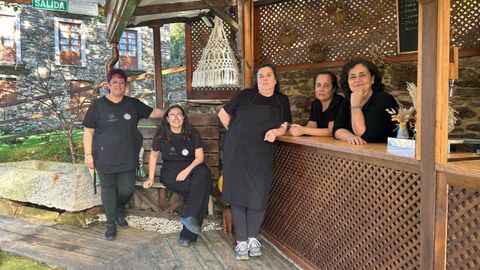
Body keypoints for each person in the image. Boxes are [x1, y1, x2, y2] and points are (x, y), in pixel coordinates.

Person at [218, 63, 292, 260]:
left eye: (269, 75)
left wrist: (276, 132)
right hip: (237, 152)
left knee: (258, 194)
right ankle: (242, 241)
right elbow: (223, 113)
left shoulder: (281, 100)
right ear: (256, 80)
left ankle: (252, 238)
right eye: (261, 76)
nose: (265, 79)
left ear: (275, 79)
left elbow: (285, 125)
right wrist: (235, 134)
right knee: (238, 194)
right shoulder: (245, 95)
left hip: (261, 152)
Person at [83, 68, 163, 241]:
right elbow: (88, 130)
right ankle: (111, 223)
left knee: (126, 189)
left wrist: (172, 114)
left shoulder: (132, 104)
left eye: (122, 82)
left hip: (128, 156)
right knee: (108, 190)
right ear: (108, 85)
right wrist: (88, 155)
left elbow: (153, 113)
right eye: (115, 82)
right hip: (104, 157)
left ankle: (119, 208)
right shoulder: (98, 105)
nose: (119, 85)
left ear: (125, 85)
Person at [143, 105, 212, 247]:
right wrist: (150, 177)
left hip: (192, 167)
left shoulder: (192, 132)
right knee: (200, 190)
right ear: (167, 119)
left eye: (179, 114)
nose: (176, 118)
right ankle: (187, 235)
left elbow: (199, 158)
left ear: (184, 117)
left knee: (204, 174)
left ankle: (187, 220)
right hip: (170, 171)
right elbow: (154, 156)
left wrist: (186, 171)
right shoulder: (161, 134)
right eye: (172, 115)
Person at [333, 59, 398, 144]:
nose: (357, 80)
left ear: (372, 79)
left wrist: (355, 105)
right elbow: (337, 129)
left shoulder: (384, 99)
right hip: (361, 152)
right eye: (352, 77)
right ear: (348, 82)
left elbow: (366, 135)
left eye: (362, 75)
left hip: (388, 154)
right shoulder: (347, 100)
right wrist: (350, 136)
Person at [289, 71, 344, 137]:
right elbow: (312, 126)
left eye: (326, 86)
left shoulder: (338, 102)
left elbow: (332, 131)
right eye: (318, 85)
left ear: (334, 89)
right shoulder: (316, 103)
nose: (321, 89)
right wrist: (296, 129)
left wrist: (303, 130)